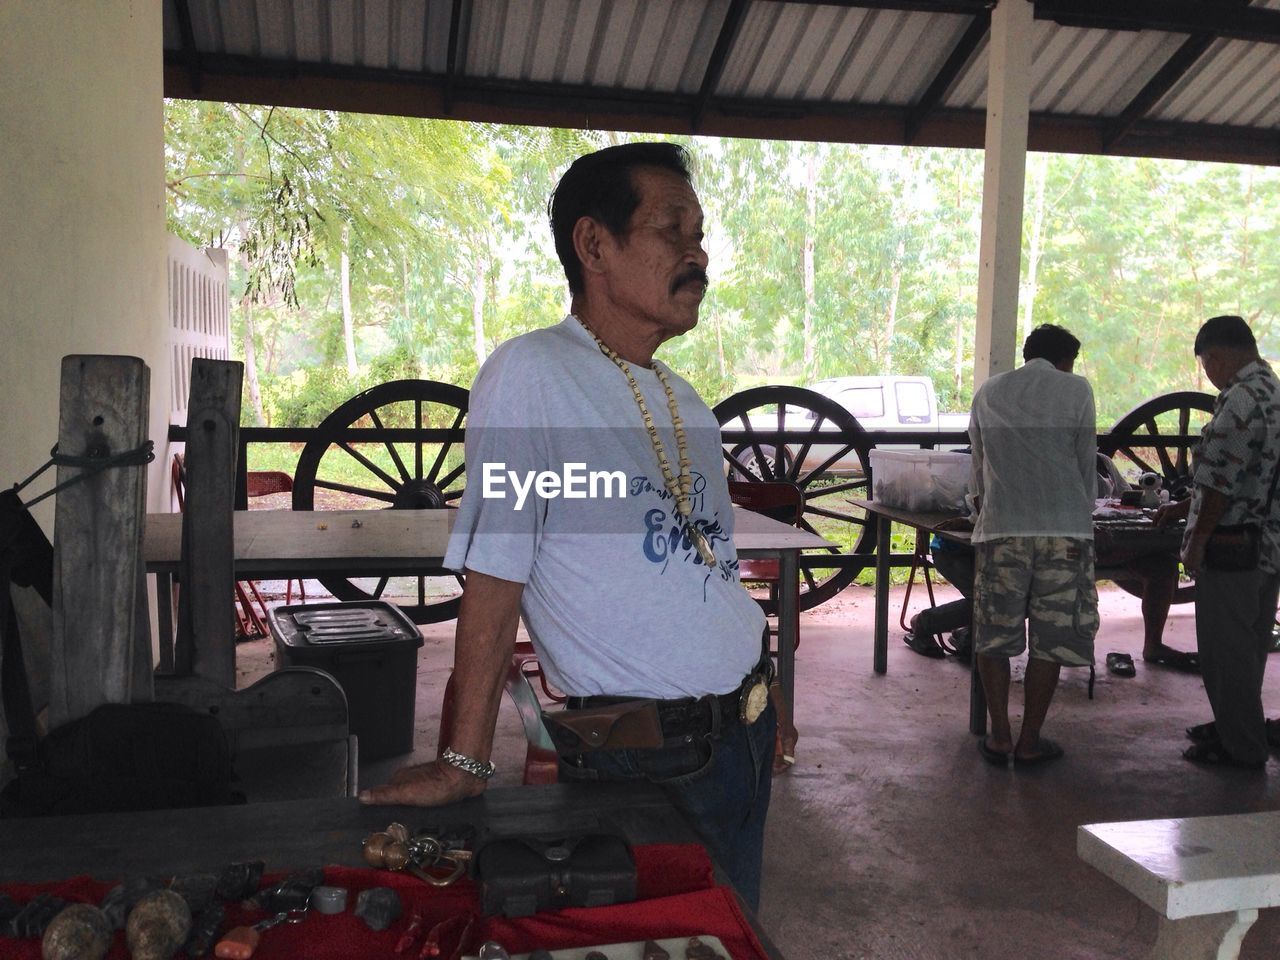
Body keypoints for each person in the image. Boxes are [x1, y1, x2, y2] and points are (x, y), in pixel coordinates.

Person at [359, 143, 779, 908]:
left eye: (702, 231)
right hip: (654, 760)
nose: (699, 252)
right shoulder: (532, 375)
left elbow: (710, 570)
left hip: (743, 734)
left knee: (733, 925)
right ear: (595, 245)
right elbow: (496, 576)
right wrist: (466, 761)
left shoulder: (684, 401)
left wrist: (762, 699)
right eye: (672, 230)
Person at [968, 324, 1099, 766]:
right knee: (1051, 640)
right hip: (1064, 531)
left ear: (1027, 355)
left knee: (994, 635)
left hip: (1003, 527)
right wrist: (1082, 511)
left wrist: (984, 509)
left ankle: (1000, 735)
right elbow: (1085, 466)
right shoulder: (1076, 390)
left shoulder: (989, 392)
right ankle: (1030, 742)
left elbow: (979, 465)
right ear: (1065, 360)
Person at [1157, 315, 1280, 770]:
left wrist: (1197, 539)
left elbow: (1223, 483)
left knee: (1224, 653)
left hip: (1232, 548)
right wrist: (1188, 503)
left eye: (1206, 363)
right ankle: (1238, 727)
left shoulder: (1241, 401)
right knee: (1248, 649)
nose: (1208, 372)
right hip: (1268, 546)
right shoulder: (1273, 391)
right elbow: (1253, 473)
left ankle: (1242, 749)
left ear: (1217, 354)